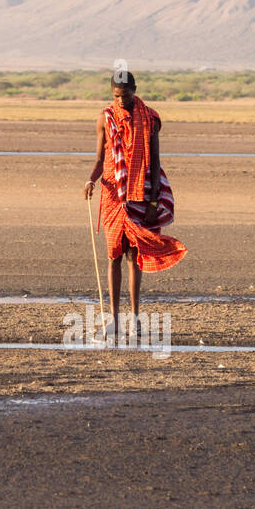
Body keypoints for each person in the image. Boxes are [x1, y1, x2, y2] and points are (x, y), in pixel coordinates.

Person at [82, 71, 187, 341]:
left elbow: (154, 161)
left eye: (125, 96)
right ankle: (114, 320)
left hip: (140, 194)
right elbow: (99, 158)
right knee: (114, 255)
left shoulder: (150, 119)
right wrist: (90, 181)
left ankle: (136, 319)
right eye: (116, 96)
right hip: (113, 196)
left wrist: (153, 200)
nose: (121, 101)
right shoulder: (105, 119)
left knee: (134, 256)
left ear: (135, 91)